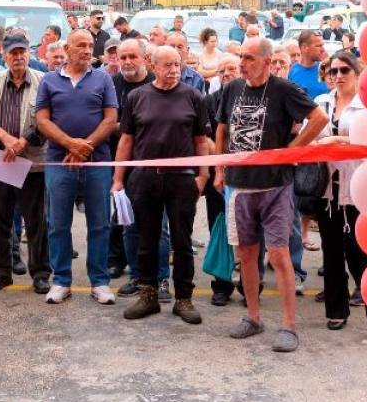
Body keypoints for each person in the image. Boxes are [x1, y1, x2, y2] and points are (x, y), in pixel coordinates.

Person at [213, 37, 327, 353]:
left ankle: (289, 326)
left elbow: (319, 118)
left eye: (248, 58)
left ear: (265, 61)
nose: (242, 64)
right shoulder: (233, 88)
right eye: (241, 57)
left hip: (275, 186)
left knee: (278, 255)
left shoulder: (284, 89)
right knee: (247, 255)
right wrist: (219, 169)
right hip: (239, 186)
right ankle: (253, 318)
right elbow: (221, 129)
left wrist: (292, 150)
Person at [113, 45, 210, 324]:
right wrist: (118, 179)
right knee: (147, 239)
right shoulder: (137, 97)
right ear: (153, 65)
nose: (174, 70)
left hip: (182, 179)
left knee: (182, 241)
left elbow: (201, 141)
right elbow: (126, 140)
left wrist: (202, 175)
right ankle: (148, 296)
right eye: (167, 65)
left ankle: (184, 299)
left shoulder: (193, 96)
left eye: (177, 64)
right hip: (145, 178)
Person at [35, 29, 119, 305]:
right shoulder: (49, 80)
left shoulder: (103, 79)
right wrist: (70, 144)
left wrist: (87, 146)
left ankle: (100, 281)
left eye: (89, 45)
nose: (86, 50)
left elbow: (111, 120)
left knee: (100, 222)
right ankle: (61, 280)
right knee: (58, 223)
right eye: (80, 45)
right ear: (67, 48)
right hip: (59, 161)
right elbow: (42, 121)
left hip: (96, 161)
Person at [0, 33, 52, 294]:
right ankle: (0, 272)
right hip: (1, 158)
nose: (18, 57)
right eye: (13, 52)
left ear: (29, 53)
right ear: (4, 56)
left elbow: (47, 119)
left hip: (33, 160)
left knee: (36, 220)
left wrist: (22, 142)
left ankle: (40, 274)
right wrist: (7, 139)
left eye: (22, 52)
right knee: (1, 219)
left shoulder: (44, 81)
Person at [311, 51, 367, 329]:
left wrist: (336, 140)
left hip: (359, 187)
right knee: (331, 251)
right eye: (333, 71)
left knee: (362, 253)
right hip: (327, 189)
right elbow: (309, 137)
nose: (338, 76)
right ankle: (336, 310)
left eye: (344, 70)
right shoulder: (321, 103)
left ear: (357, 73)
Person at [110, 40, 171, 301]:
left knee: (160, 229)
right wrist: (118, 177)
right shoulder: (112, 84)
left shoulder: (159, 86)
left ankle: (162, 279)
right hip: (127, 168)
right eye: (122, 57)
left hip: (160, 170)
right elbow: (124, 136)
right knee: (130, 226)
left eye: (132, 56)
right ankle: (136, 276)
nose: (127, 62)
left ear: (146, 59)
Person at [203, 53, 242, 306]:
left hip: (250, 176)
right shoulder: (210, 100)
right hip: (220, 176)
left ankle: (251, 284)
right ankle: (222, 284)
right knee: (219, 229)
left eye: (231, 69)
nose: (226, 74)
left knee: (250, 232)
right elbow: (205, 137)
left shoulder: (254, 96)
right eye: (222, 71)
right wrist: (223, 163)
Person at [288, 30, 330, 99]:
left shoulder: (327, 70)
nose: (323, 49)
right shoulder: (290, 71)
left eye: (322, 45)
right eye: (318, 46)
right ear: (304, 47)